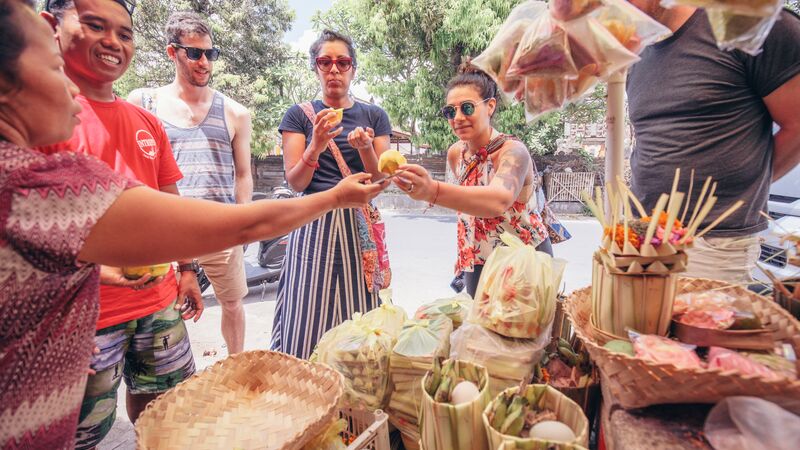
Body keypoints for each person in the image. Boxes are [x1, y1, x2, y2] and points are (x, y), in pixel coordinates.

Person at [0, 1, 381, 448]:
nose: (72, 92)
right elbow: (235, 225)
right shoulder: (35, 183)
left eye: (124, 33)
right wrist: (335, 196)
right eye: (53, 65)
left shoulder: (34, 171)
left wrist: (56, 340)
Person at [626, 1, 800, 284]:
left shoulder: (746, 23)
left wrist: (745, 190)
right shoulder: (639, 55)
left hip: (714, 241)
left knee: (699, 329)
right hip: (642, 235)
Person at [128, 12, 252, 356]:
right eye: (194, 53)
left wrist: (241, 225)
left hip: (220, 229)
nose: (204, 62)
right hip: (166, 233)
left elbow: (243, 174)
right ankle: (173, 381)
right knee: (163, 313)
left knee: (232, 304)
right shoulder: (144, 103)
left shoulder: (235, 112)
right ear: (172, 53)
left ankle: (237, 365)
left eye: (210, 54)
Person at [270, 29, 393, 360]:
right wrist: (317, 143)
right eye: (325, 62)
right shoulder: (299, 115)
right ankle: (305, 388)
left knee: (359, 315)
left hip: (358, 228)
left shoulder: (374, 116)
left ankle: (358, 388)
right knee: (307, 312)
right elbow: (297, 182)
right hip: (313, 221)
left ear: (353, 68)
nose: (334, 69)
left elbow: (382, 177)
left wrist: (367, 147)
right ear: (315, 67)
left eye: (343, 62)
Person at [395, 66, 552, 297]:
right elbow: (468, 208)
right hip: (477, 260)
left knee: (524, 332)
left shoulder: (513, 152)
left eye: (467, 108)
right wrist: (463, 254)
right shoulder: (455, 153)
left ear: (490, 106)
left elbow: (498, 201)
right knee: (480, 331)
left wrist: (432, 191)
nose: (458, 118)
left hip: (524, 259)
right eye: (450, 111)